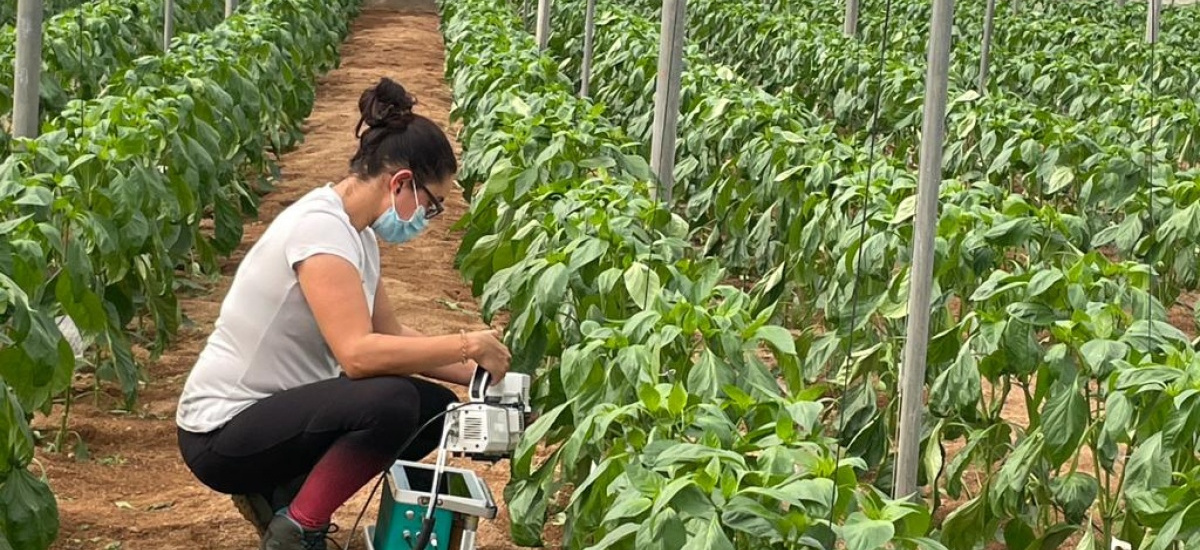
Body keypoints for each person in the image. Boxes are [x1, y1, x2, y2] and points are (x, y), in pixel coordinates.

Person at [175, 77, 512, 550]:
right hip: (222, 431)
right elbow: (357, 355)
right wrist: (466, 341)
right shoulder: (321, 230)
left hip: (272, 418)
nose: (426, 218)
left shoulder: (358, 236)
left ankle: (282, 495)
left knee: (434, 411)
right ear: (401, 183)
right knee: (390, 403)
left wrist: (481, 374)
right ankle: (296, 528)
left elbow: (390, 333)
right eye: (431, 205)